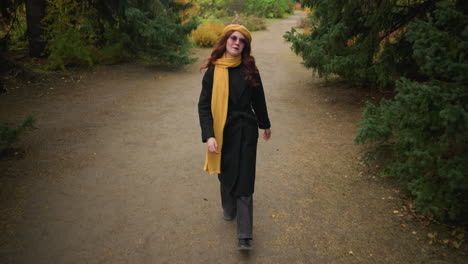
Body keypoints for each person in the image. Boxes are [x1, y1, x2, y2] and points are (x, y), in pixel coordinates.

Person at [198, 24, 271, 251]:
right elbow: (203, 107)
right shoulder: (213, 70)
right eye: (233, 38)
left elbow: (259, 100)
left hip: (247, 129)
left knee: (246, 178)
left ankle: (244, 235)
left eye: (242, 40)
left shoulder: (250, 69)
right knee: (226, 171)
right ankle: (228, 206)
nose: (237, 42)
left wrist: (264, 124)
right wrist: (209, 135)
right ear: (226, 41)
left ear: (245, 46)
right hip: (223, 131)